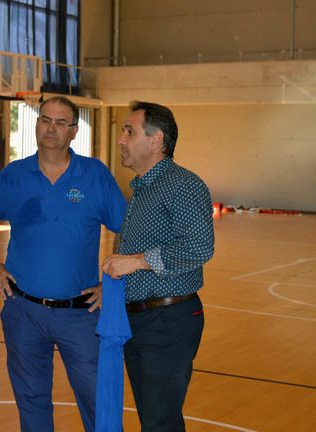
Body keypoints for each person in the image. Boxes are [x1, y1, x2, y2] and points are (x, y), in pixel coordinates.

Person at [0, 96, 127, 431]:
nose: (51, 128)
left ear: (74, 131)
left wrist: (113, 284)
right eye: (45, 119)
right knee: (31, 402)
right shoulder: (14, 175)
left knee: (98, 401)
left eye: (61, 123)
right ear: (36, 124)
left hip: (82, 315)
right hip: (22, 311)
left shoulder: (94, 175)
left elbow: (126, 228)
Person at [103, 101, 215, 432]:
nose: (121, 139)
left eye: (129, 131)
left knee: (160, 422)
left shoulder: (182, 185)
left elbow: (198, 247)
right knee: (153, 419)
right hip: (139, 320)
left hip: (167, 321)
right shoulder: (142, 188)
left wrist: (135, 261)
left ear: (156, 140)